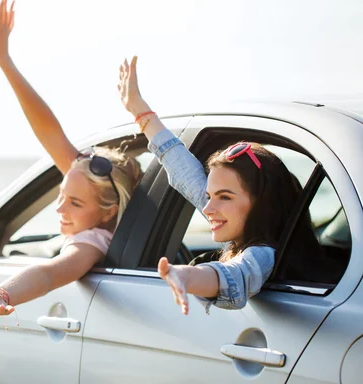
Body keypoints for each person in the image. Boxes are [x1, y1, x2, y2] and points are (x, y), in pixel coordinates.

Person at [0, 0, 142, 329]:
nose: (60, 209)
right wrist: (4, 60)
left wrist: (0, 295)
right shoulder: (101, 208)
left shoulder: (91, 242)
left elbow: (51, 272)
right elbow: (48, 130)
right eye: (62, 195)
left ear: (108, 211)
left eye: (75, 203)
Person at [118, 56, 326, 315]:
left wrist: (185, 275)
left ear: (263, 203)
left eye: (225, 197)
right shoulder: (267, 235)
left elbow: (233, 273)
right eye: (209, 195)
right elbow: (184, 172)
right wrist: (139, 110)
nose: (207, 208)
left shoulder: (264, 253)